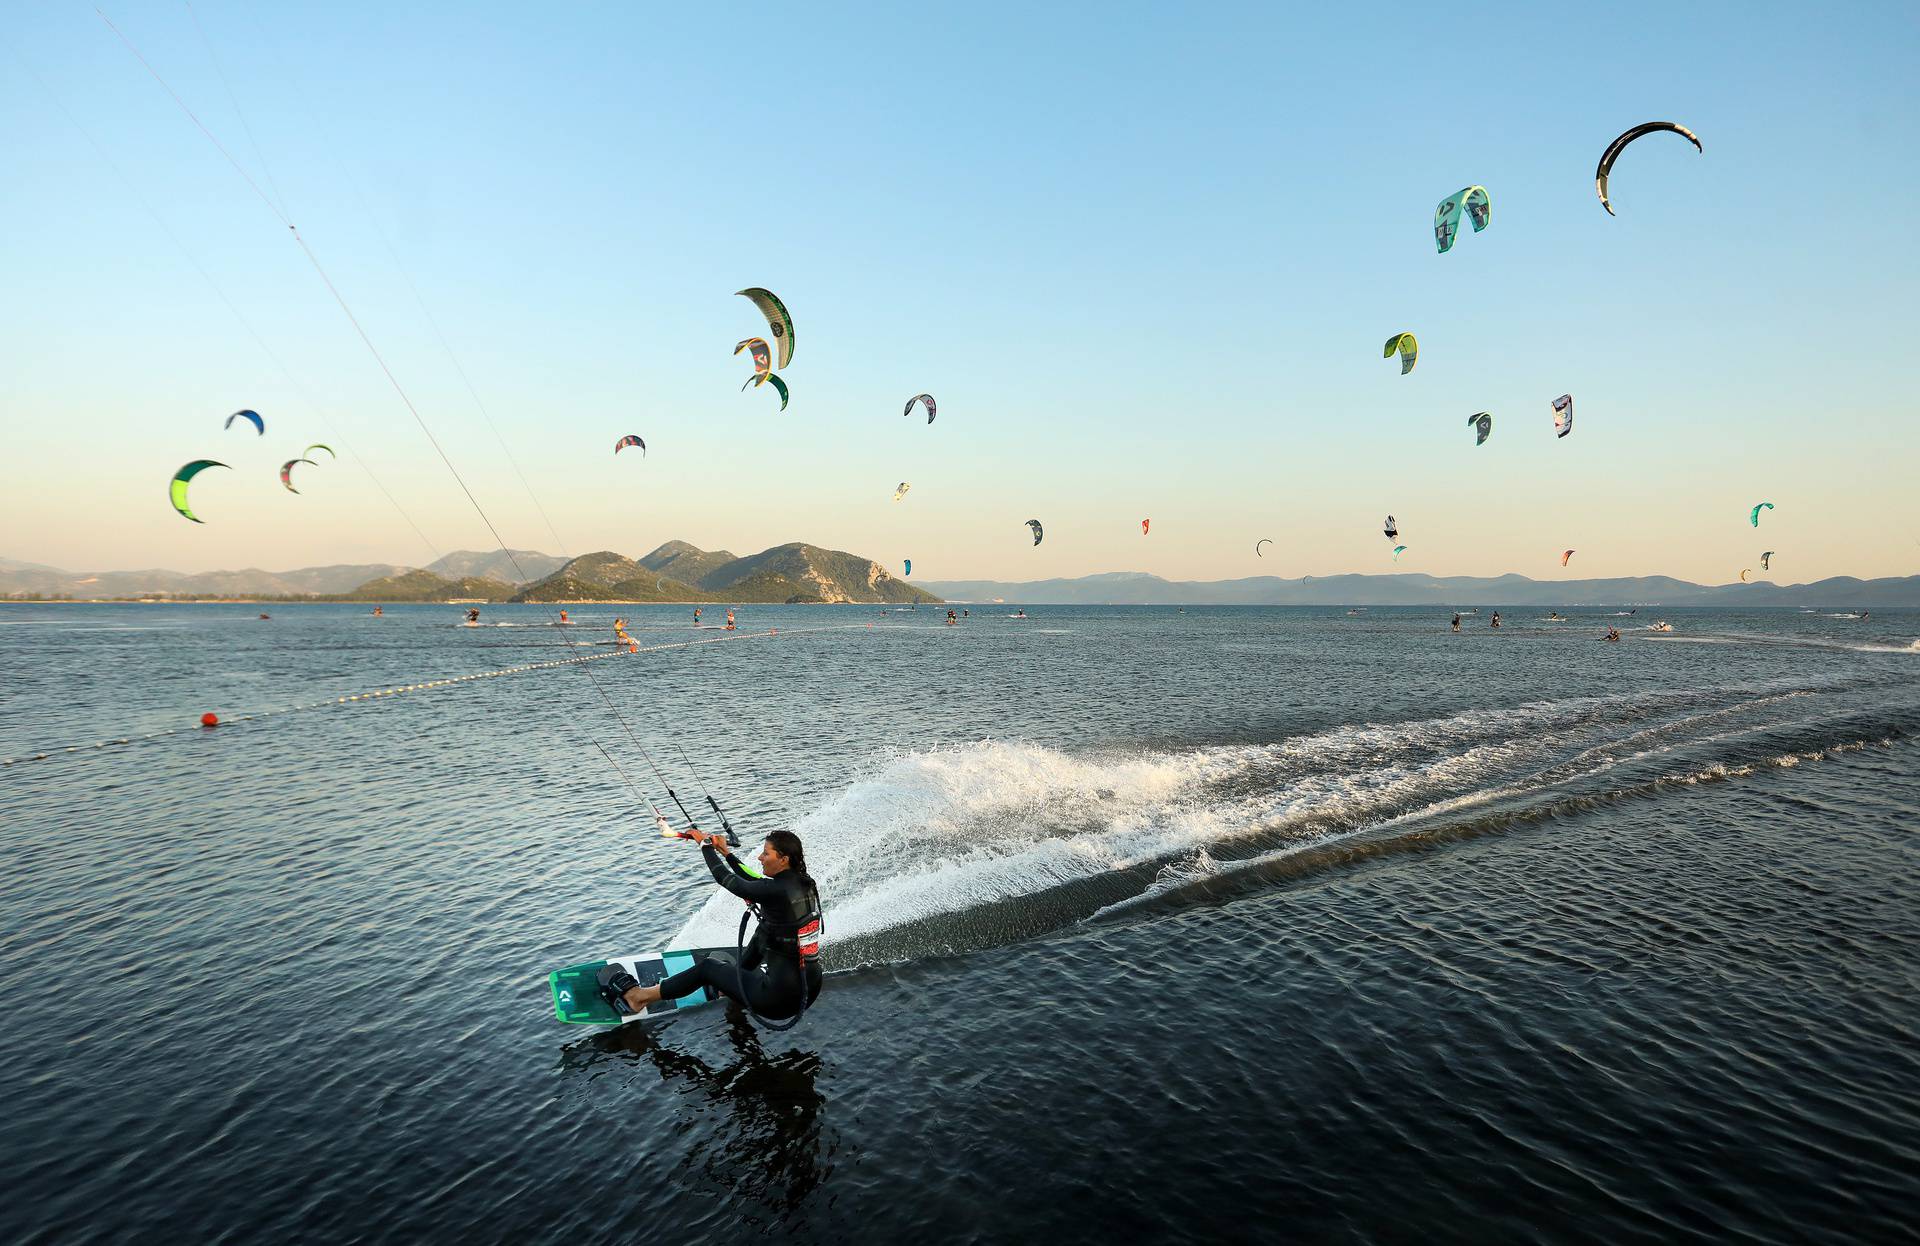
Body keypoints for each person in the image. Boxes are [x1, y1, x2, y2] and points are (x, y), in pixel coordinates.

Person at [601, 830, 823, 1024]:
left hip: (778, 1001)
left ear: (783, 859)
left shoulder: (773, 890)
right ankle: (731, 986)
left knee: (708, 967)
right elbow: (754, 880)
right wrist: (725, 853)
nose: (760, 857)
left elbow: (725, 878)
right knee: (767, 933)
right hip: (808, 991)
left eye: (766, 853)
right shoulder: (804, 883)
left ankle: (638, 998)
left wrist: (705, 845)